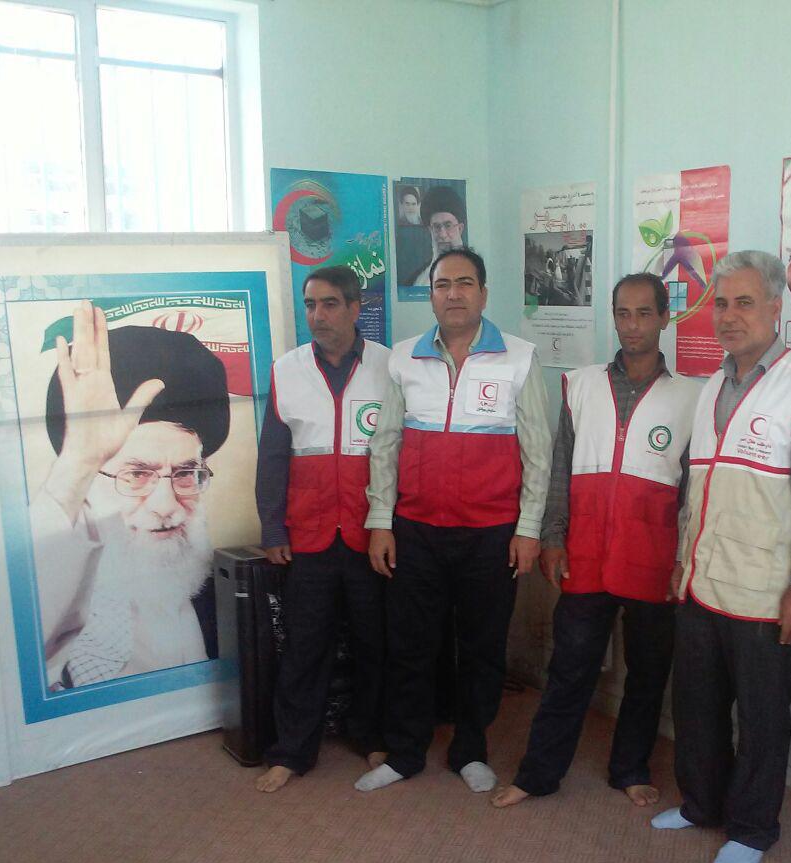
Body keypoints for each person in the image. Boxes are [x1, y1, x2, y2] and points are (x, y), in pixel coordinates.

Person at [651, 250, 791, 863]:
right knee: (697, 707)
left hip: (766, 591)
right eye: (721, 304)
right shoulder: (712, 385)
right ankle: (701, 804)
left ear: (774, 307)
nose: (729, 316)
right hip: (701, 582)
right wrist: (681, 562)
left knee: (761, 719)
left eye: (744, 303)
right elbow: (697, 487)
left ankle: (754, 827)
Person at [492, 273, 700, 810]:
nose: (633, 325)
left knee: (647, 676)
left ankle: (629, 768)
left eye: (644, 313)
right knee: (569, 669)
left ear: (664, 318)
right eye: (623, 313)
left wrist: (683, 559)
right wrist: (552, 535)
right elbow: (559, 467)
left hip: (652, 558)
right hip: (584, 554)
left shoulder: (691, 397)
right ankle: (538, 774)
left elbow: (692, 492)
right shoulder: (580, 385)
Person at [358, 247, 551, 794]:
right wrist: (381, 521)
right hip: (415, 530)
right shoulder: (404, 358)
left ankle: (470, 749)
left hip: (491, 534)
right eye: (442, 284)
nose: (453, 294)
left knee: (483, 647)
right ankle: (405, 752)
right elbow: (386, 444)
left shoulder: (518, 358)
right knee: (410, 645)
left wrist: (529, 529)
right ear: (431, 296)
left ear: (483, 294)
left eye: (464, 283)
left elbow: (539, 451)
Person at [35, 303, 229, 688]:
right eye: (137, 474)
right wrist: (80, 459)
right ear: (89, 484)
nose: (166, 506)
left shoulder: (218, 599)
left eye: (186, 474)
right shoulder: (51, 618)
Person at [253, 266, 393, 793]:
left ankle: (373, 735)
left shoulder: (389, 366)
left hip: (369, 533)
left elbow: (402, 452)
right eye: (311, 304)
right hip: (309, 534)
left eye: (330, 304)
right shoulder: (287, 370)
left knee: (375, 643)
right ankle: (292, 751)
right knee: (305, 647)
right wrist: (273, 527)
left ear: (356, 308)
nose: (318, 315)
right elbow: (273, 456)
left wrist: (392, 525)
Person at [405, 186, 467, 288]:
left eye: (448, 226)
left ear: (460, 228)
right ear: (430, 230)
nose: (442, 235)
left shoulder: (472, 271)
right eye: (437, 227)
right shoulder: (418, 280)